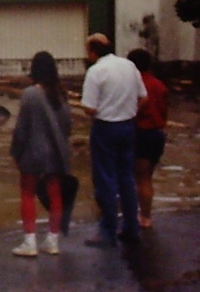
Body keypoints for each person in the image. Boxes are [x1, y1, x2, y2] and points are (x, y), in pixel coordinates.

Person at [81, 33, 147, 247]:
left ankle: (108, 229)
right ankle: (131, 226)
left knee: (105, 179)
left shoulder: (95, 71)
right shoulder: (128, 66)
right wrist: (128, 110)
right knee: (126, 177)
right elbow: (143, 97)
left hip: (106, 127)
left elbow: (90, 108)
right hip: (128, 125)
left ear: (93, 51)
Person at [9, 52, 73, 257]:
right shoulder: (61, 95)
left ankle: (30, 242)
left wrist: (15, 153)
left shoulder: (30, 94)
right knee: (55, 195)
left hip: (33, 154)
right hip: (57, 154)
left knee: (27, 194)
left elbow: (21, 129)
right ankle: (52, 241)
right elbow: (67, 126)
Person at [128, 47, 167, 230]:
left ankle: (143, 217)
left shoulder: (135, 84)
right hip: (157, 134)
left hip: (141, 132)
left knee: (140, 178)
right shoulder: (159, 85)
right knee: (147, 177)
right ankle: (145, 214)